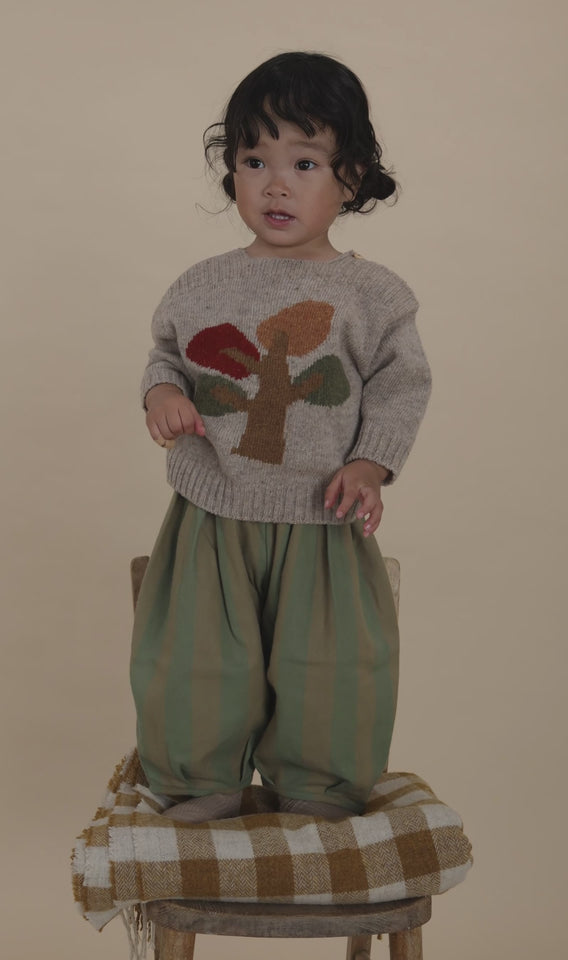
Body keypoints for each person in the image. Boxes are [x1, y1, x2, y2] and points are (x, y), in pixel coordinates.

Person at [130, 51, 432, 823]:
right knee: (198, 659)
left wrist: (371, 464)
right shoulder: (201, 284)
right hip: (211, 514)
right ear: (230, 171)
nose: (275, 184)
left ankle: (318, 789)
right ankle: (202, 784)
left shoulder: (373, 294)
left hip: (323, 517)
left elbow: (400, 385)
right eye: (253, 160)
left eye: (304, 162)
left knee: (331, 664)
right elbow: (165, 355)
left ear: (350, 178)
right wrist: (164, 394)